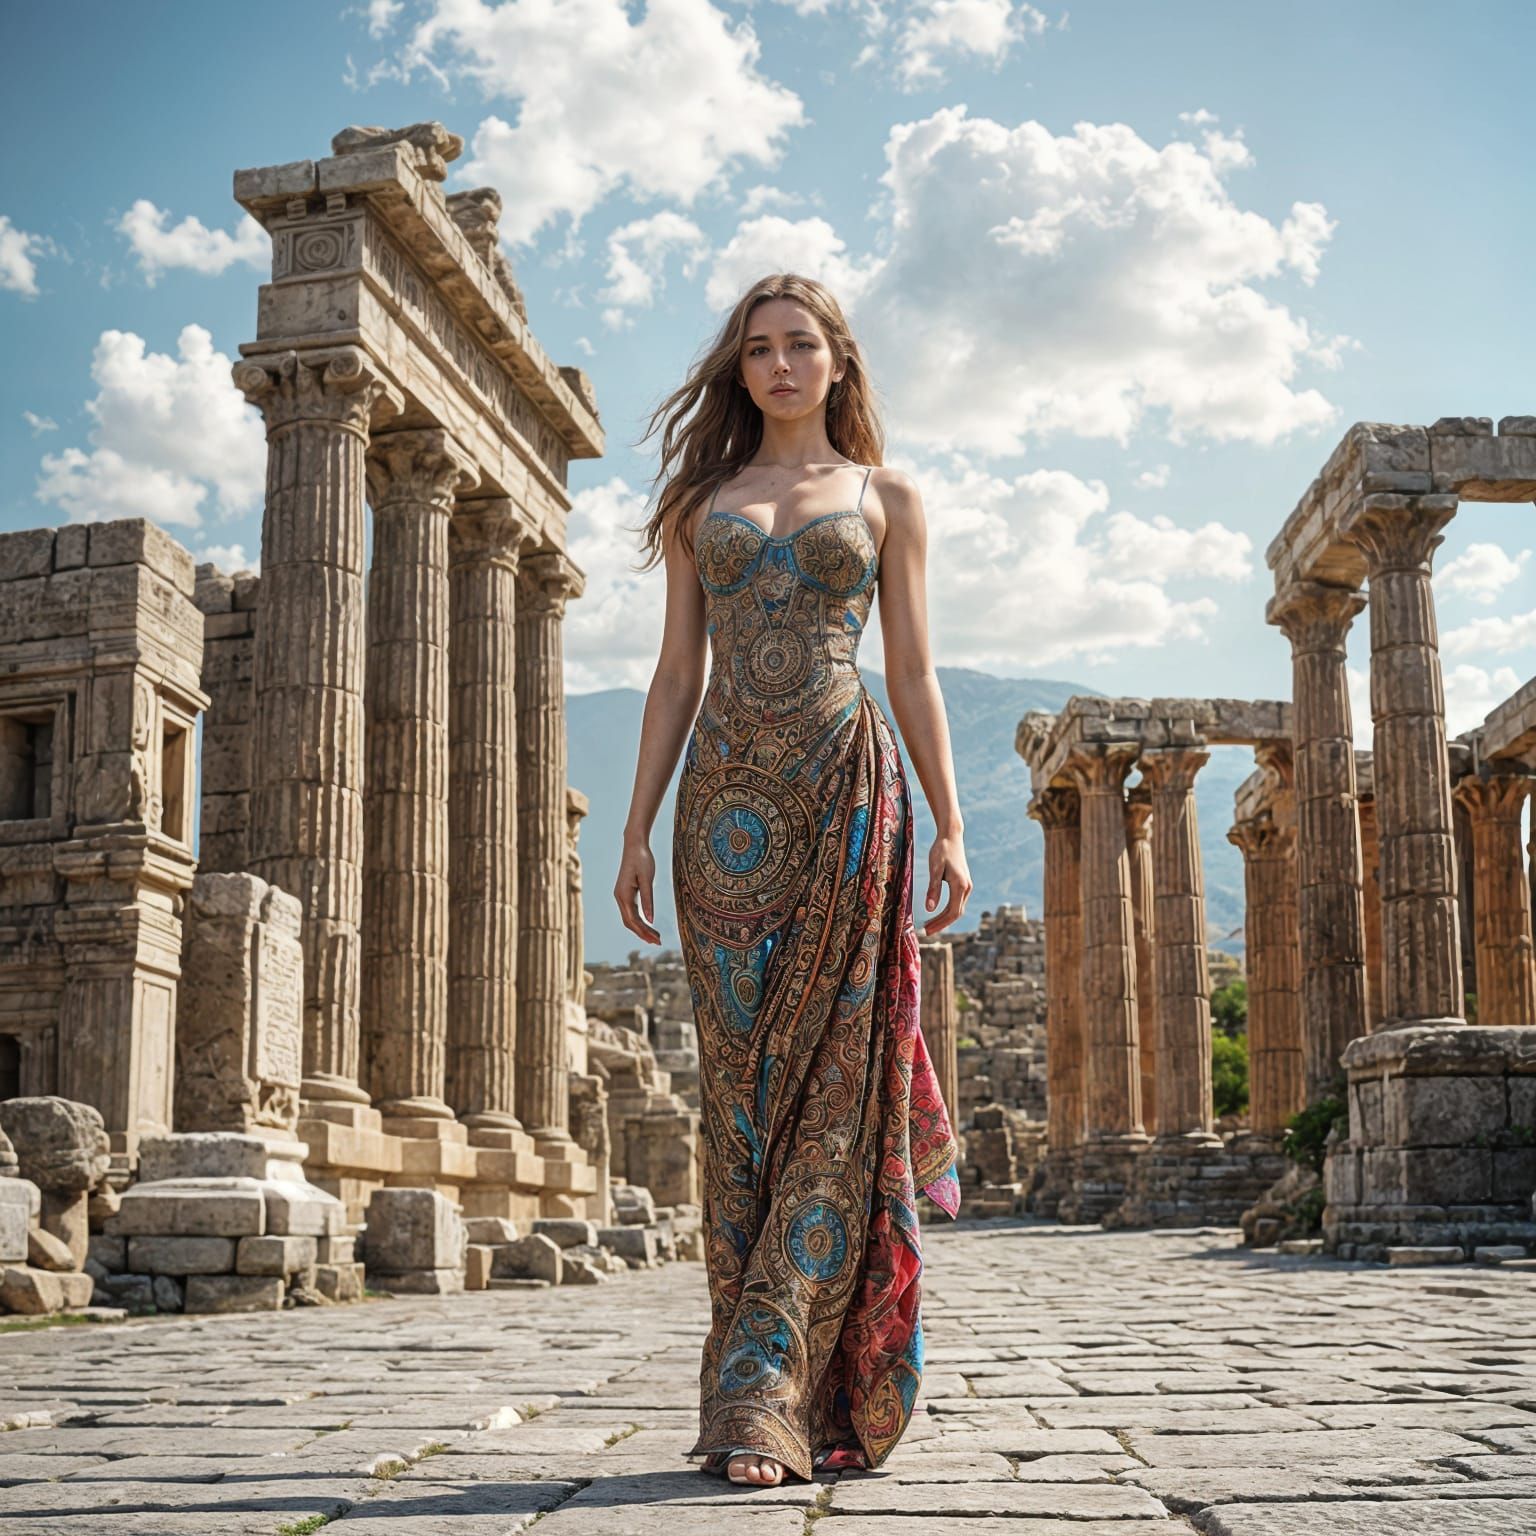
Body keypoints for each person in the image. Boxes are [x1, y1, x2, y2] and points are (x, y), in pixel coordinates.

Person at [613, 272, 972, 1488]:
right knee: (740, 1104)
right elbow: (675, 674)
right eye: (759, 348)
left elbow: (913, 670)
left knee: (835, 1090)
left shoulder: (886, 495)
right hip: (720, 811)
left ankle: (765, 1394)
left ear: (837, 361)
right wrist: (634, 827)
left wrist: (951, 826)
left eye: (800, 345)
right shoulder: (699, 504)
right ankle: (757, 1368)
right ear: (741, 367)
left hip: (847, 793)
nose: (779, 365)